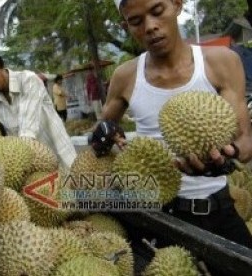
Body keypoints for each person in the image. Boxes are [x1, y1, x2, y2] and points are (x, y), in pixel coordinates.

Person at [90, 0, 252, 248]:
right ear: (126, 26)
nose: (150, 26)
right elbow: (101, 132)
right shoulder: (125, 76)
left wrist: (225, 160)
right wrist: (107, 134)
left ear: (177, 5)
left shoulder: (221, 62)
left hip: (214, 208)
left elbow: (246, 143)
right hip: (156, 215)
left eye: (157, 11)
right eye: (136, 21)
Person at [0, 47, 77, 169]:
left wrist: (12, 159)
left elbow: (27, 128)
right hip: (30, 166)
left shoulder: (28, 80)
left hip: (58, 155)